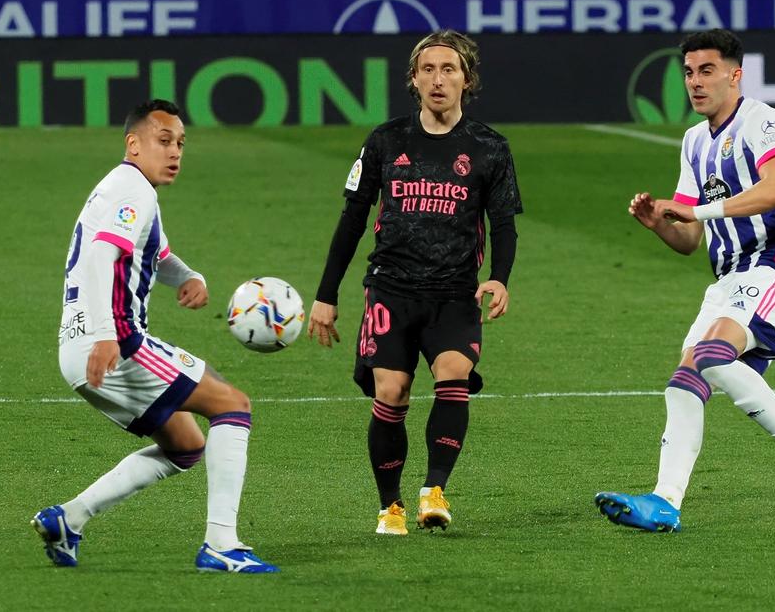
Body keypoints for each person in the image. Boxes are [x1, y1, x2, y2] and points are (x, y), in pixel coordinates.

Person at [595, 29, 775, 532]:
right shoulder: (692, 141)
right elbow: (689, 237)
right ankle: (665, 502)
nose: (695, 82)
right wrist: (660, 222)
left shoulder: (763, 121)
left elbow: (773, 192)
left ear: (734, 74)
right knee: (684, 381)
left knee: (710, 355)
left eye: (706, 70)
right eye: (688, 72)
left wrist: (694, 210)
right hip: (729, 278)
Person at [33, 100, 277, 573]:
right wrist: (107, 335)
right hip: (117, 344)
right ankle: (222, 545)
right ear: (134, 143)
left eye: (180, 143)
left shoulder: (122, 188)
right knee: (232, 404)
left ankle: (70, 518)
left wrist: (187, 276)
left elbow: (153, 252)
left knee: (186, 446)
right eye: (163, 140)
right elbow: (105, 254)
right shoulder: (134, 191)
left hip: (76, 348)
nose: (175, 152)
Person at [308, 30, 523, 536]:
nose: (437, 79)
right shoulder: (386, 141)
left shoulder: (489, 147)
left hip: (455, 292)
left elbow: (504, 222)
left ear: (466, 80)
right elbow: (352, 219)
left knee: (453, 373)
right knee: (394, 390)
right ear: (413, 79)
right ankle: (390, 506)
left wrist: (499, 278)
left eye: (448, 69)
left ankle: (435, 489)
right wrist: (325, 294)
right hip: (392, 289)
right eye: (427, 69)